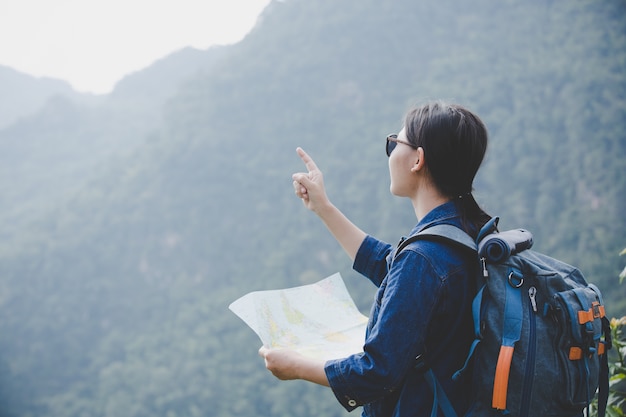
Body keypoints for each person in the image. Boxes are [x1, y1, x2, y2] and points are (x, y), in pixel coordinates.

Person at [259, 101, 491, 417]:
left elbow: (376, 372)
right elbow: (389, 266)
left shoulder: (424, 259)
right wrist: (324, 207)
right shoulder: (469, 233)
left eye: (395, 143)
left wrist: (296, 366)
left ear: (417, 159)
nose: (391, 152)